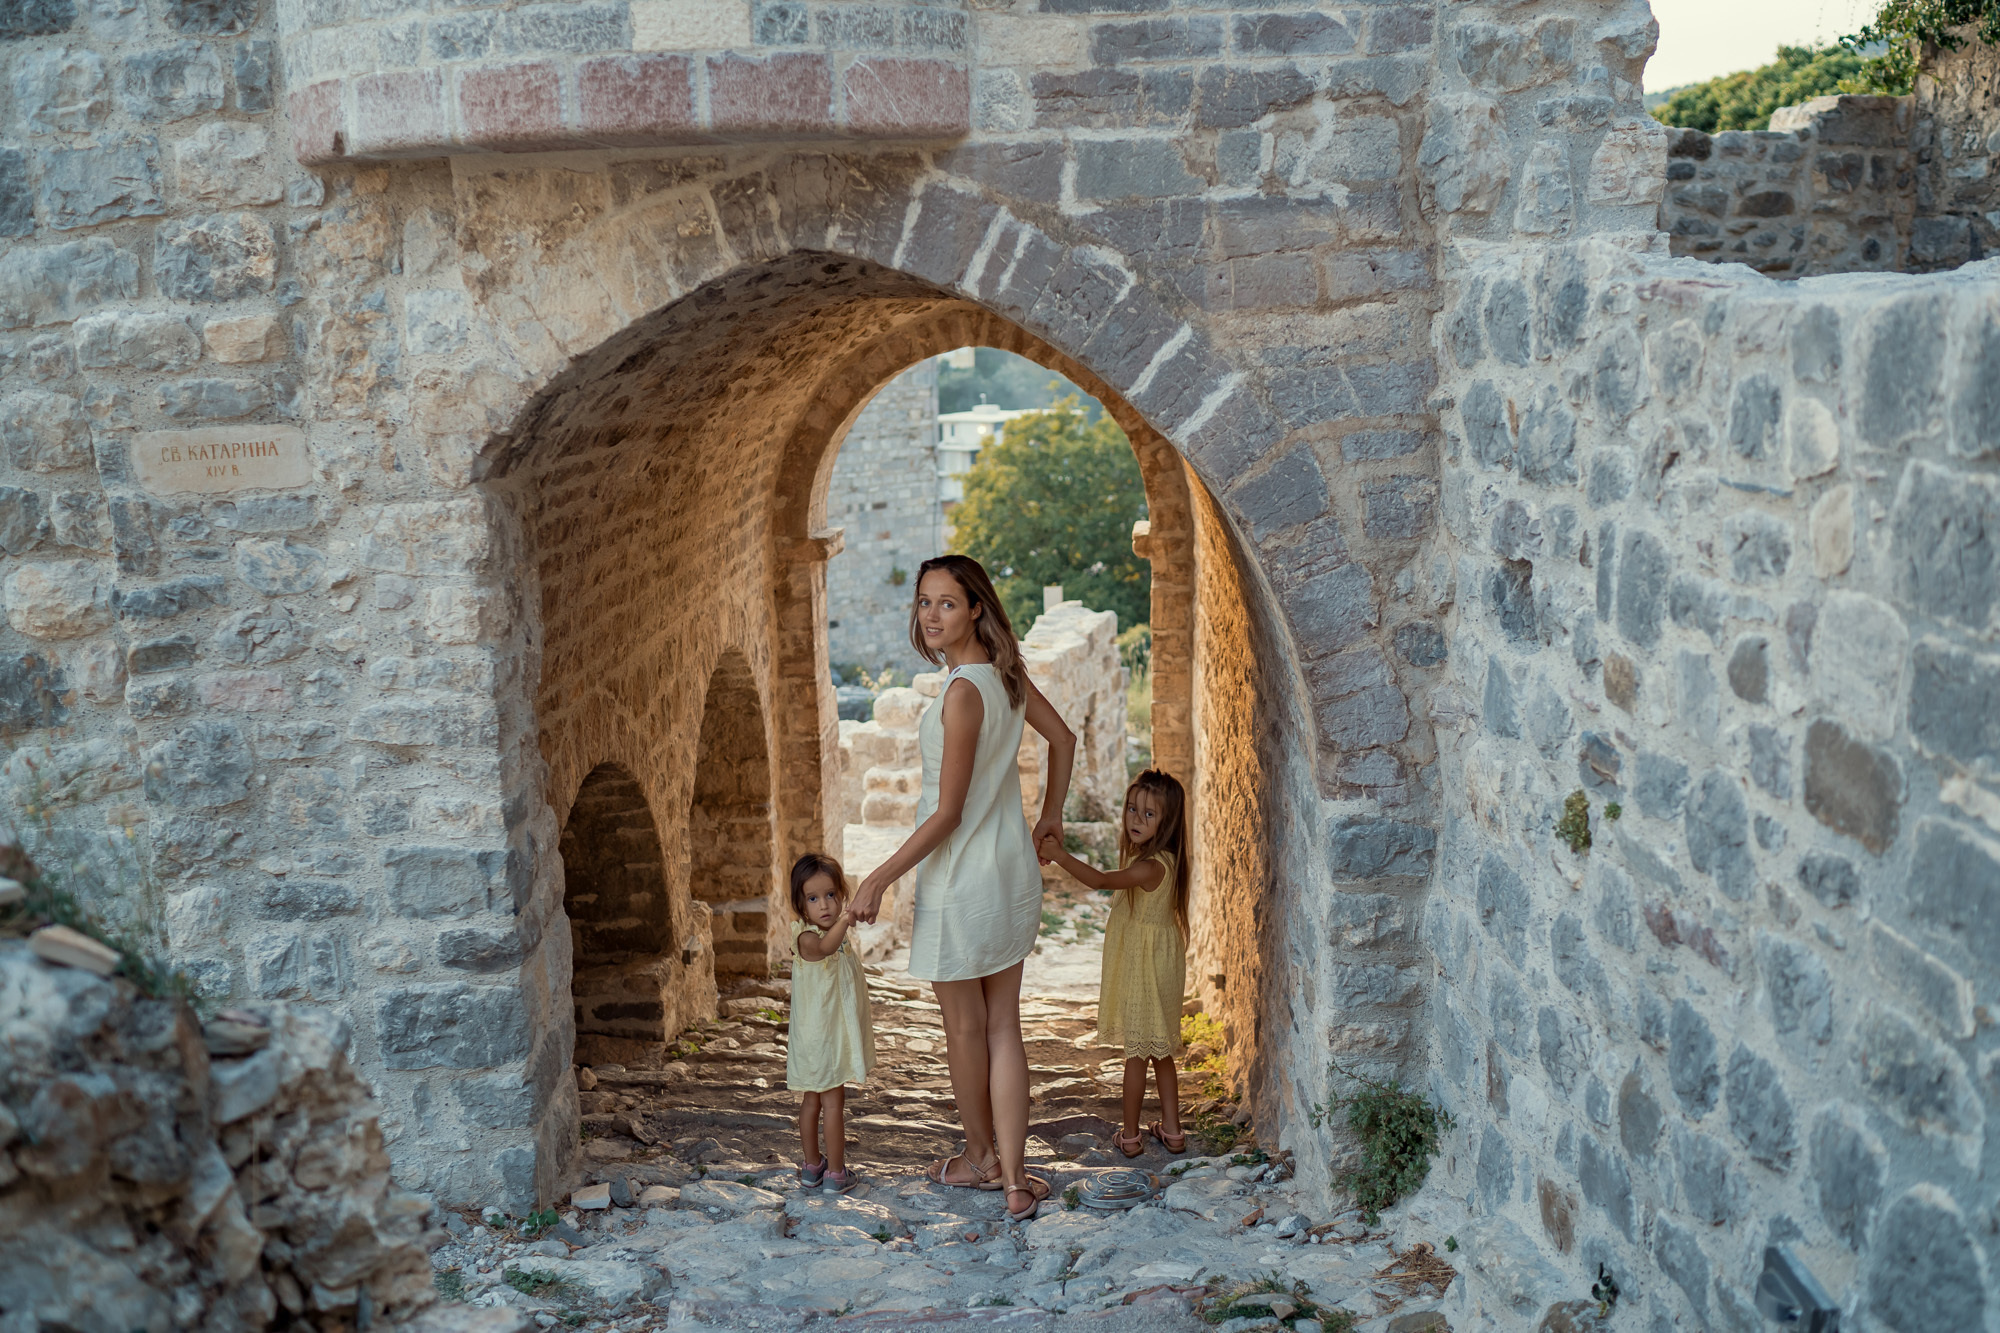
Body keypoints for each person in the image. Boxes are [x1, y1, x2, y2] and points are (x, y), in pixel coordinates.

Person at [848, 554, 1076, 1223]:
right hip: (1009, 868)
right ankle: (1014, 1176)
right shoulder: (1005, 677)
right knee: (1003, 1025)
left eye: (947, 602)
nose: (932, 615)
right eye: (924, 602)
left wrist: (878, 876)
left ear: (976, 606)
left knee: (964, 1027)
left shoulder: (961, 692)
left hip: (959, 878)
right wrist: (1049, 817)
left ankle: (982, 1161)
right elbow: (1062, 739)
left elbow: (946, 813)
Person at [1038, 769, 1192, 1157]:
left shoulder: (1152, 866)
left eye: (1149, 814)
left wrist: (1059, 855)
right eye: (1131, 809)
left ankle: (1130, 1135)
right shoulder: (1167, 861)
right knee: (1162, 1051)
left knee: (1137, 1052)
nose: (1136, 819)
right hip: (1161, 960)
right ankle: (1172, 1131)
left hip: (1146, 966)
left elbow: (1100, 880)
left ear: (1168, 820)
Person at [785, 852, 875, 1193]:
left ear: (841, 894)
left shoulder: (833, 933)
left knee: (814, 1101)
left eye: (831, 896)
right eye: (812, 898)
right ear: (800, 904)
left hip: (826, 1036)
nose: (824, 905)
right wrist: (847, 919)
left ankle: (813, 1168)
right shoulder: (806, 938)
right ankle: (833, 1172)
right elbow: (824, 948)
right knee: (827, 1103)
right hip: (819, 1040)